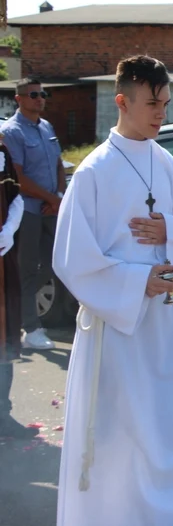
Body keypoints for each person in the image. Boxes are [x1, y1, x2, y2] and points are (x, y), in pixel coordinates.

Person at [52, 55, 173, 526]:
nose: (161, 112)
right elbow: (70, 256)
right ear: (122, 101)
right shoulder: (94, 171)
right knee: (122, 438)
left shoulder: (163, 160)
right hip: (117, 329)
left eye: (165, 103)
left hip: (164, 324)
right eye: (152, 103)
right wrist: (134, 281)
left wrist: (170, 232)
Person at [0, 77, 65, 350]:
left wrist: (58, 198)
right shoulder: (12, 132)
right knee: (28, 270)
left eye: (43, 94)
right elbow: (18, 178)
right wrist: (50, 198)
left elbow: (60, 165)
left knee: (56, 263)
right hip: (27, 211)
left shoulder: (46, 127)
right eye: (34, 94)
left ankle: (19, 308)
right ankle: (31, 327)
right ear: (19, 99)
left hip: (51, 208)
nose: (40, 99)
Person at [0, 141, 39, 439]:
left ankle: (2, 413)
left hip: (2, 258)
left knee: (4, 334)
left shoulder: (1, 151)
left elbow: (15, 197)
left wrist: (9, 229)